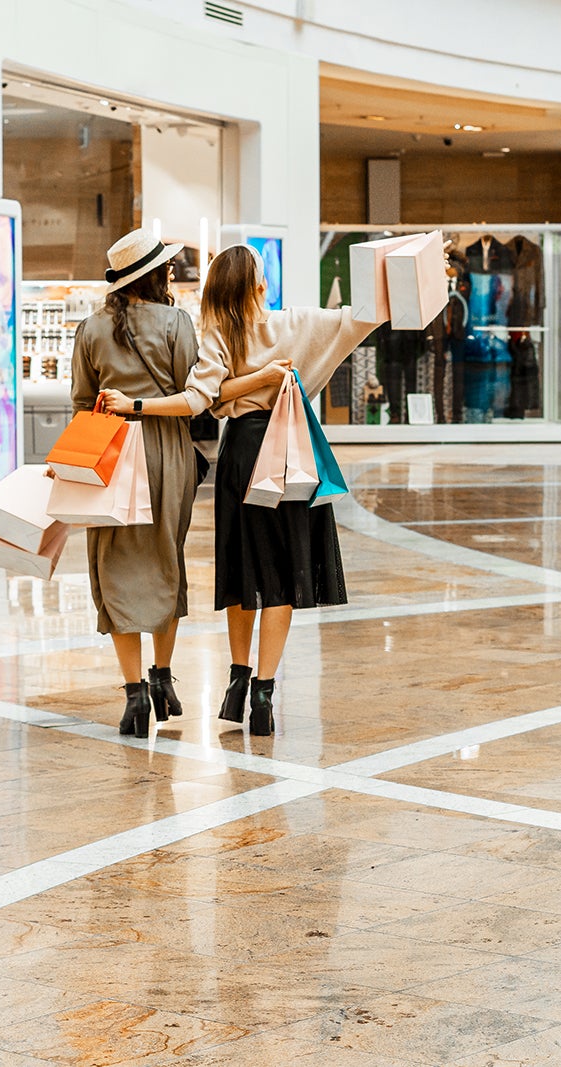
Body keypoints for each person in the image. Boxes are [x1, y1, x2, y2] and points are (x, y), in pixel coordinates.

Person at [201, 244, 381, 736]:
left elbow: (208, 398)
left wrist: (250, 379)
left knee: (241, 567)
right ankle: (263, 692)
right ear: (261, 286)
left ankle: (237, 678)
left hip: (241, 452)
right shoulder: (296, 324)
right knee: (279, 570)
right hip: (288, 453)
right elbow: (360, 319)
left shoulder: (216, 332)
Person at [71, 228, 224, 738]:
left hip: (110, 455)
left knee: (113, 565)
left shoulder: (91, 329)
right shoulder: (177, 323)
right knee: (166, 558)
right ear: (158, 274)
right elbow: (192, 392)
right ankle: (163, 676)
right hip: (165, 453)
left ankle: (134, 694)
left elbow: (80, 401)